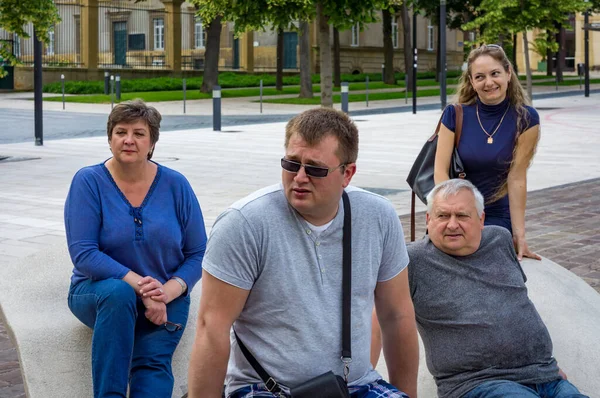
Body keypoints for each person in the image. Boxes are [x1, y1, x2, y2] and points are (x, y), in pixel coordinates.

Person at [188, 108, 419, 398]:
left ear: (347, 173)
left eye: (314, 168)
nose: (299, 177)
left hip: (357, 385)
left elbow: (396, 315)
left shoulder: (378, 216)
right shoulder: (244, 223)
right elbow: (212, 327)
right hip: (264, 389)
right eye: (291, 163)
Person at [65, 99, 207, 398]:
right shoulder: (88, 181)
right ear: (110, 138)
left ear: (152, 142)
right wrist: (142, 289)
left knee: (152, 363)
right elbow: (84, 254)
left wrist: (166, 292)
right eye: (120, 132)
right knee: (118, 295)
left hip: (166, 295)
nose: (129, 140)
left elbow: (198, 252)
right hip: (99, 293)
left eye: (139, 133)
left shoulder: (176, 185)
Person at [408, 179, 587, 398]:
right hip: (477, 383)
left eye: (462, 215)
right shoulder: (413, 260)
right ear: (428, 219)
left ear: (481, 219)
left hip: (545, 375)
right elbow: (382, 316)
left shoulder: (500, 239)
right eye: (443, 215)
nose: (452, 224)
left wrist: (544, 365)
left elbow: (516, 303)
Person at [434, 44, 541, 260]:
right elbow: (440, 172)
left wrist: (520, 234)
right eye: (480, 77)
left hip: (497, 214)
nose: (489, 82)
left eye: (495, 74)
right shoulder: (455, 114)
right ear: (472, 82)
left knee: (486, 254)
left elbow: (517, 177)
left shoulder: (526, 119)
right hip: (455, 210)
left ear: (508, 73)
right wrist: (449, 215)